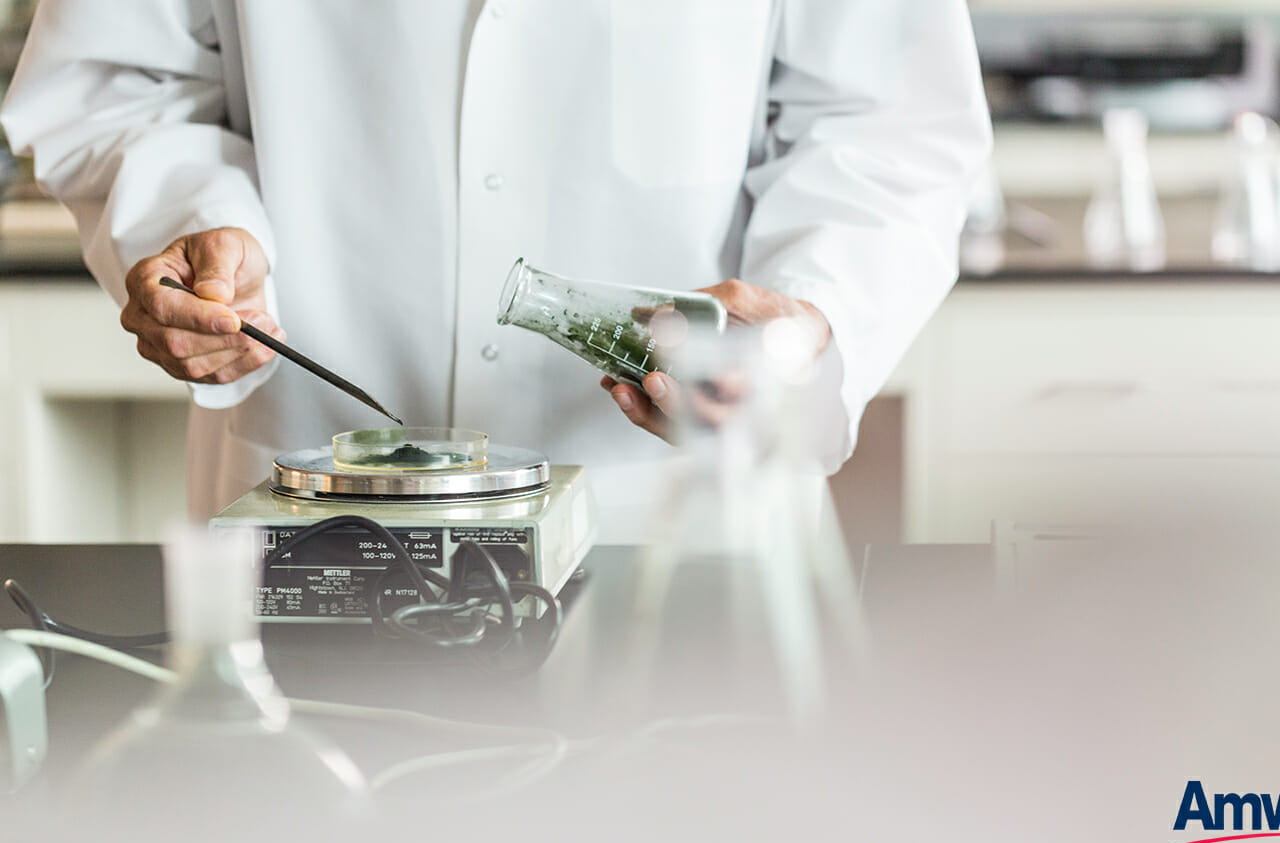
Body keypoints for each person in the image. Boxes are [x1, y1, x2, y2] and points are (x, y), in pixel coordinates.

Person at [1, 1, 991, 541]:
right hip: (315, 517)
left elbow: (883, 122)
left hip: (675, 527)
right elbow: (117, 79)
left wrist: (807, 319)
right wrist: (198, 225)